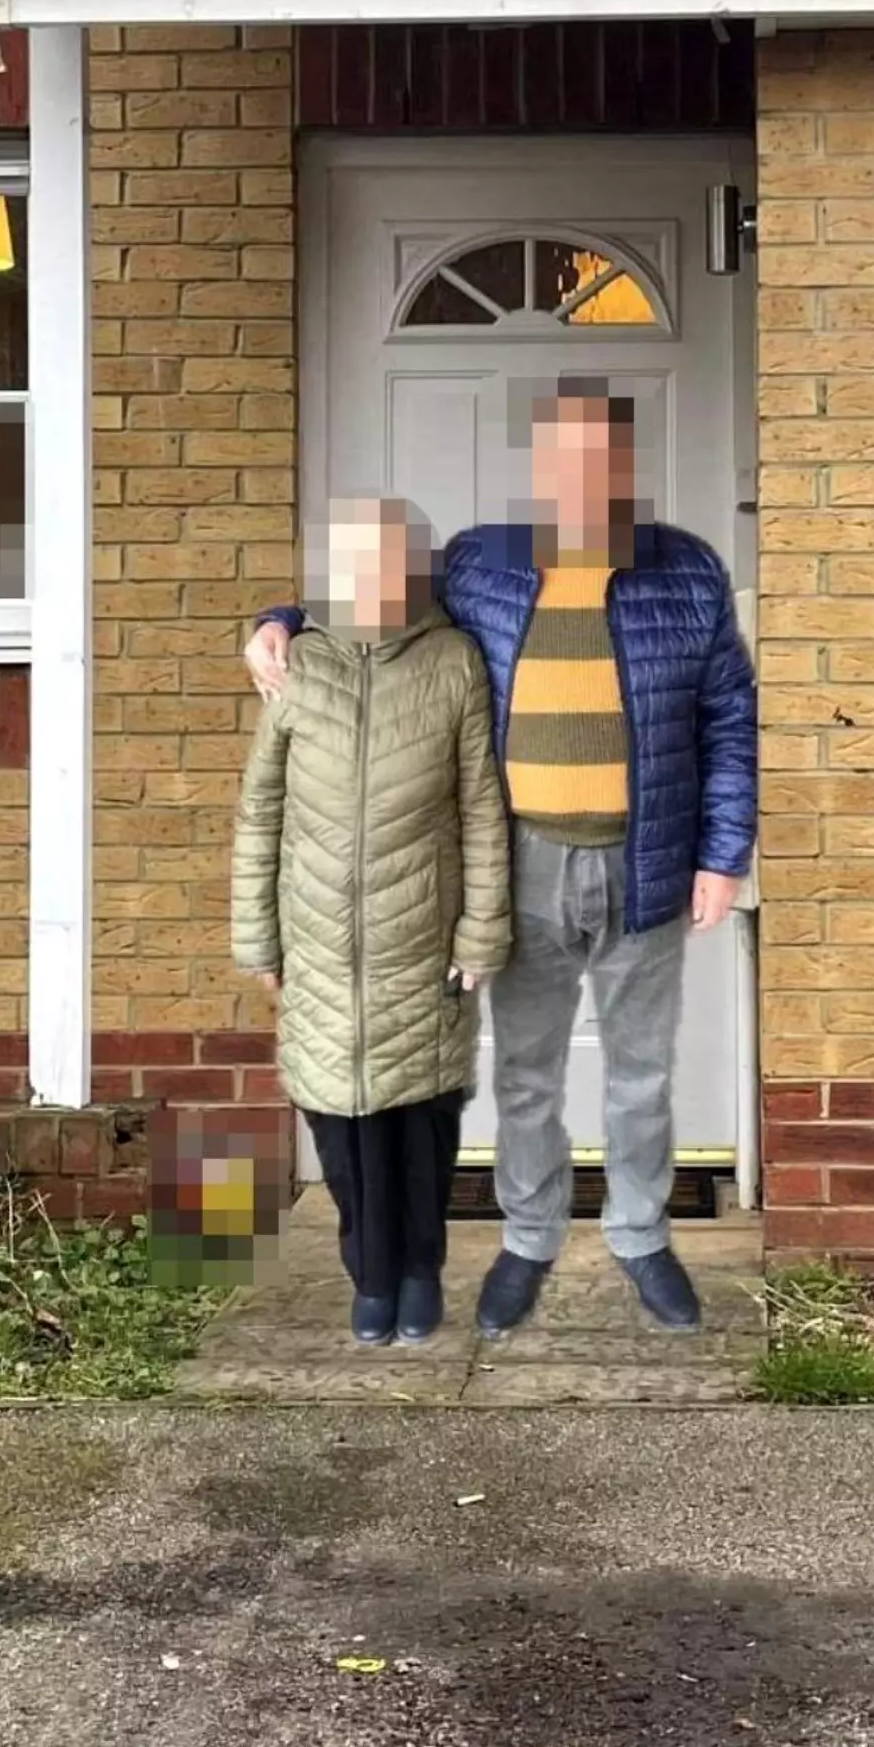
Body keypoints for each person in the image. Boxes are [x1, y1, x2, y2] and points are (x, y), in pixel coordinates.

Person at [243, 381, 757, 1336]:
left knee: (642, 1071)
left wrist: (722, 853)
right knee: (525, 1071)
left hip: (647, 860)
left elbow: (729, 716)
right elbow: (373, 600)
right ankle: (527, 1238)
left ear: (625, 468)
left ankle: (642, 1238)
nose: (580, 476)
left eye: (599, 458)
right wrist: (282, 617)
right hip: (520, 862)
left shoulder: (686, 571)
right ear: (536, 468)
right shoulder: (482, 563)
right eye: (561, 458)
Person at [231, 496, 511, 1348]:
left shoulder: (454, 660)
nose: (373, 576)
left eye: (389, 559)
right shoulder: (295, 667)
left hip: (418, 936)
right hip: (316, 940)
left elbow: (481, 810)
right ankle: (370, 1275)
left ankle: (420, 1271)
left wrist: (481, 931)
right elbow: (260, 813)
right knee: (338, 1120)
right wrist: (257, 939)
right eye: (355, 560)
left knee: (418, 1120)